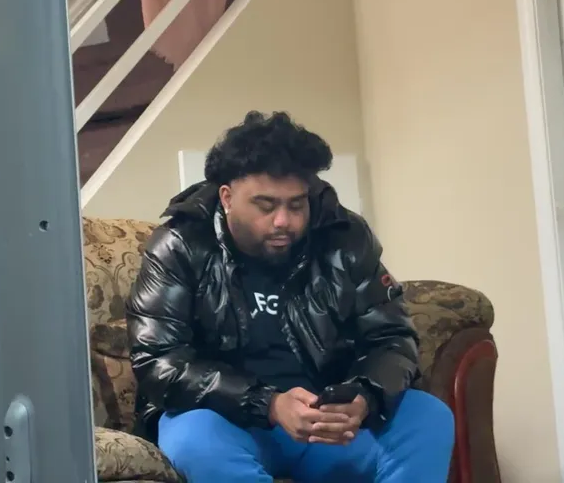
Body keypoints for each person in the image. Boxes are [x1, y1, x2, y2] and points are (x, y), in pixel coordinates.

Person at [126, 111, 455, 482]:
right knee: (194, 439)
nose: (283, 220)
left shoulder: (344, 237)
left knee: (427, 417)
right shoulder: (180, 245)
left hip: (327, 425)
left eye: (296, 205)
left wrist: (365, 396)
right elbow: (159, 361)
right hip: (227, 422)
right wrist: (269, 404)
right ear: (227, 198)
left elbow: (391, 337)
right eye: (266, 206)